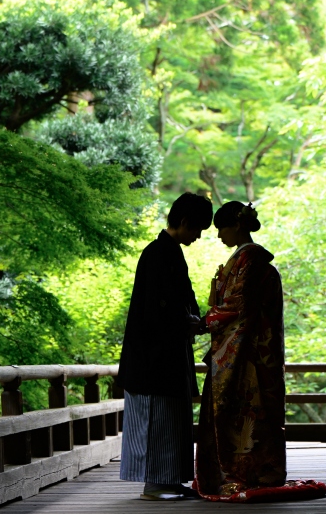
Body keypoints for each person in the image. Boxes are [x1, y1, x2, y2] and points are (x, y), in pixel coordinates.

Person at [116, 192, 213, 500]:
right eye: (197, 230)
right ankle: (155, 484)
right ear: (184, 222)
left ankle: (169, 480)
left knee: (171, 418)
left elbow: (180, 300)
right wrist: (188, 321)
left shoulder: (168, 252)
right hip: (153, 356)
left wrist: (193, 318)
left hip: (167, 352)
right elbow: (157, 310)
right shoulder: (158, 253)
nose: (198, 237)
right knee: (158, 418)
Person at [195, 201, 288, 499]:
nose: (219, 235)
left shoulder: (249, 260)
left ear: (236, 226)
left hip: (246, 352)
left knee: (242, 410)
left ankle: (241, 475)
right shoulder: (245, 259)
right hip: (243, 348)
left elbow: (239, 306)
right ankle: (240, 473)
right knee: (246, 411)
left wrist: (205, 321)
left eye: (221, 228)